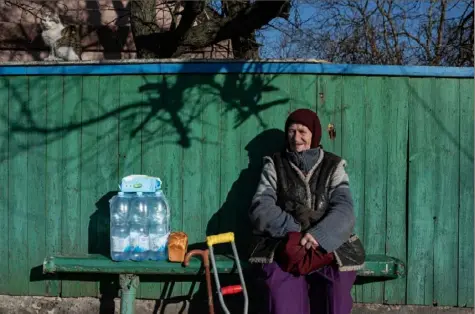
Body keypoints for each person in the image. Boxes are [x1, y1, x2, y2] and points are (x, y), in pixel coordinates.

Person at [248, 108, 365, 314]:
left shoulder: (334, 166)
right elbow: (261, 207)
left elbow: (344, 209)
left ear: (315, 134)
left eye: (303, 131)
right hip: (286, 244)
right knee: (282, 294)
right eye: (292, 131)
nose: (296, 138)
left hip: (327, 245)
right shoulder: (274, 165)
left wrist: (318, 235)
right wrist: (294, 230)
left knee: (335, 292)